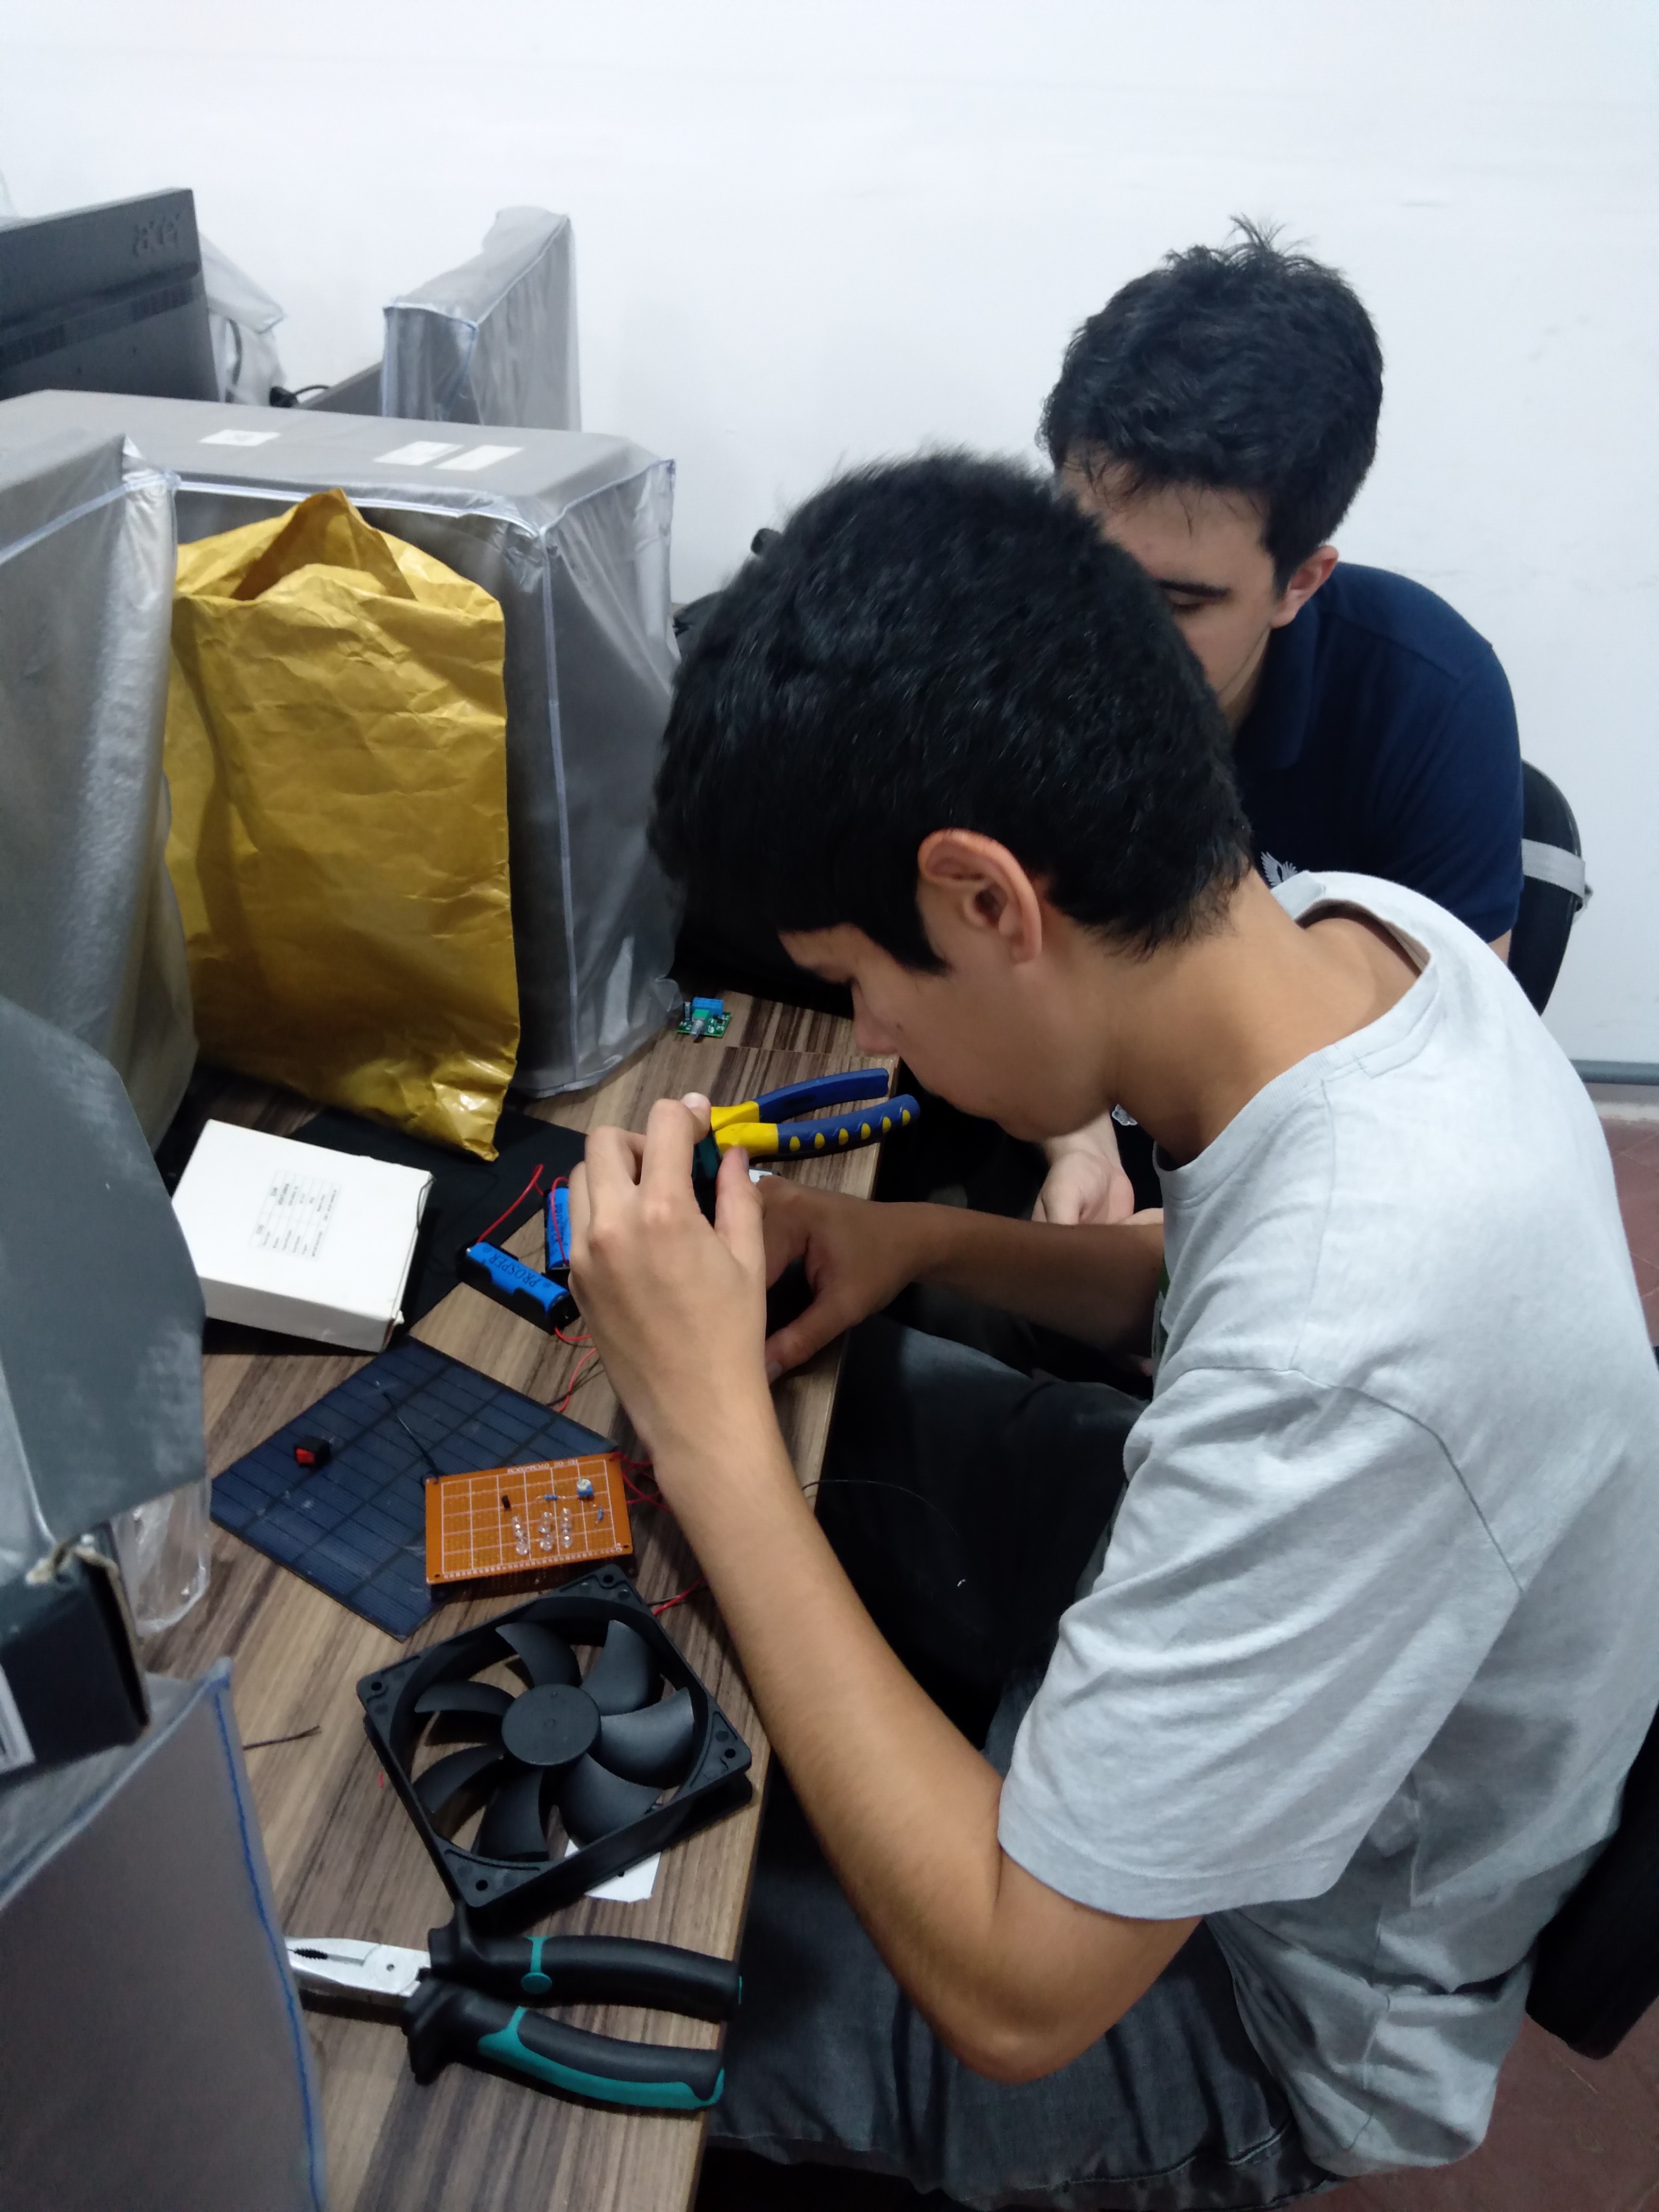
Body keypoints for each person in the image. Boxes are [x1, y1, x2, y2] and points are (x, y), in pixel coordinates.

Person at [566, 456, 1659, 2210]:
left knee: (581, 2017)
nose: (877, 1035)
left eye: (864, 980)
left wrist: (701, 1420)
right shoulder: (1364, 945)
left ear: (993, 901)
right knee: (859, 1431)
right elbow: (1219, 1275)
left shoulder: (1348, 1347)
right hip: (1303, 1600)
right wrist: (909, 1233)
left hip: (1261, 2002)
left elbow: (1021, 1993)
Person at [1023, 222, 1524, 1227]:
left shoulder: (1429, 701)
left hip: (1313, 1190)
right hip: (1073, 1124)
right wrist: (1074, 1141)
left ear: (1300, 581)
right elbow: (1014, 952)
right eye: (1084, 566)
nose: (1106, 638)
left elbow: (1439, 1087)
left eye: (1176, 605)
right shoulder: (1020, 645)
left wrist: (1223, 1231)